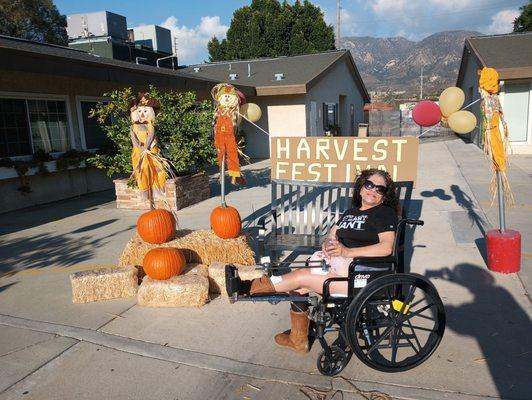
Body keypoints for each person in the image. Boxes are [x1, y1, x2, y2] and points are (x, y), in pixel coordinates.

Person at [232, 169, 399, 352]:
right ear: (360, 187)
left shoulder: (384, 213)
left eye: (379, 189)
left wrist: (347, 251)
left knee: (301, 277)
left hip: (364, 276)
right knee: (298, 285)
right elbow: (331, 235)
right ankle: (298, 339)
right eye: (369, 184)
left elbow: (386, 247)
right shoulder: (351, 212)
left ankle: (247, 288)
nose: (373, 190)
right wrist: (328, 245)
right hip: (341, 269)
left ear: (384, 196)